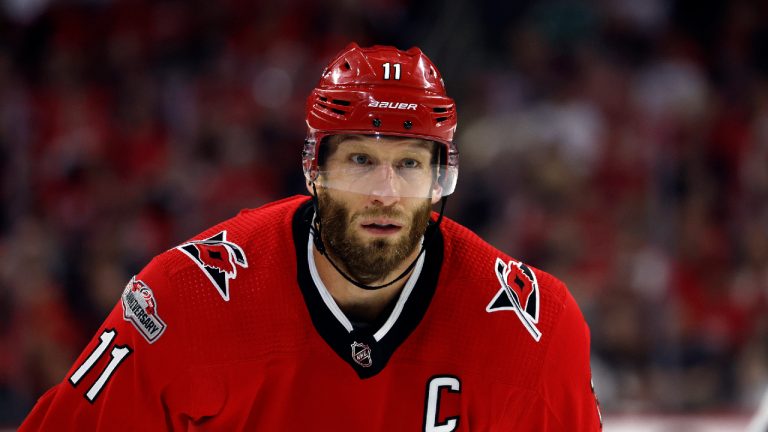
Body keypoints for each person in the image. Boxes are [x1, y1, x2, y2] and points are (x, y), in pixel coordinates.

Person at [19, 43, 602, 431]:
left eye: (409, 164)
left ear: (440, 180)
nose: (386, 191)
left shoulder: (535, 325)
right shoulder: (187, 297)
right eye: (359, 159)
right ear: (313, 170)